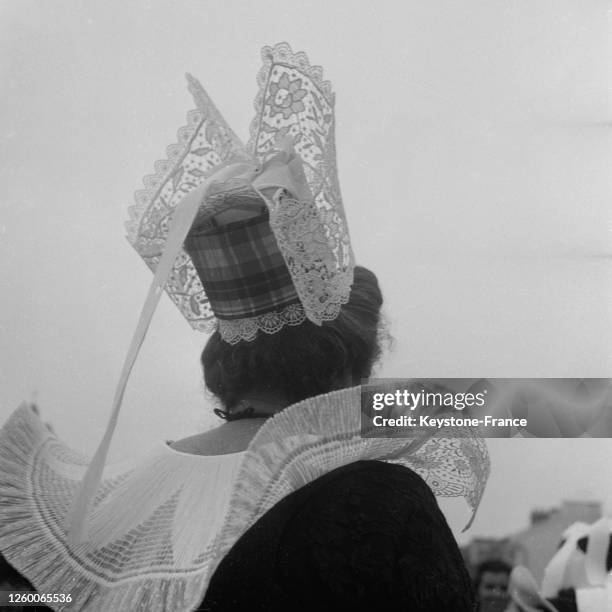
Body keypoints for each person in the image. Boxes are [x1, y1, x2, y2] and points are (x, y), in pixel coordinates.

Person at [0, 43, 489, 610]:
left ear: (224, 355)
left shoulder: (96, 510)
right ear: (350, 363)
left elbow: (34, 602)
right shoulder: (369, 504)